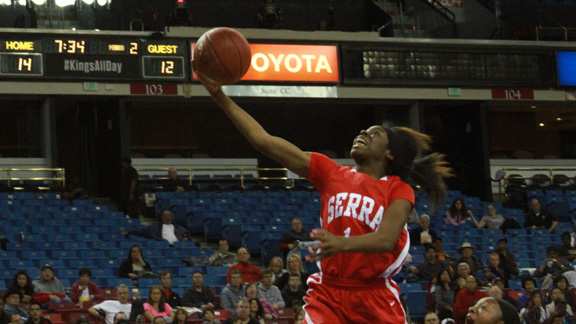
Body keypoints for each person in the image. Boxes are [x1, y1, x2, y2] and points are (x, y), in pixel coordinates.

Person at [196, 63, 452, 324]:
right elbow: (262, 139)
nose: (363, 133)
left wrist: (341, 244)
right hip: (328, 292)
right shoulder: (330, 172)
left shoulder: (398, 189)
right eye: (363, 130)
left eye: (374, 133)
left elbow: (385, 240)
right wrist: (218, 94)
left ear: (390, 153)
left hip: (373, 296)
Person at [123, 210, 191, 245]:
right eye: (165, 216)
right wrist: (129, 232)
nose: (167, 218)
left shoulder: (178, 227)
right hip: (163, 246)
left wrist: (186, 237)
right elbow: (142, 230)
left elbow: (186, 233)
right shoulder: (155, 227)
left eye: (169, 216)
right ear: (162, 217)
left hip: (178, 246)